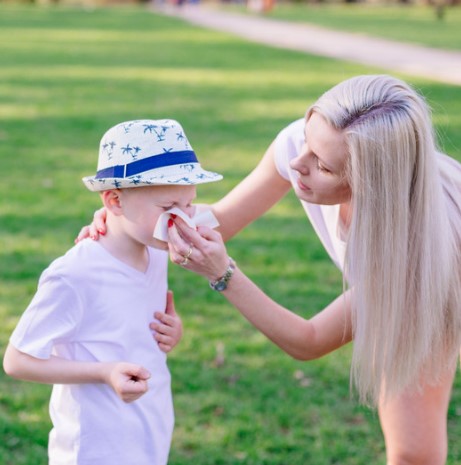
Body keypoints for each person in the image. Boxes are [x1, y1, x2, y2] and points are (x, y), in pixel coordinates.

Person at [78, 75, 461, 465]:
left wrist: (223, 274)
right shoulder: (310, 147)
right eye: (308, 142)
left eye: (323, 166)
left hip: (436, 287)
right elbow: (219, 222)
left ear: (374, 184)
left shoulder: (422, 255)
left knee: (416, 454)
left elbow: (309, 341)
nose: (297, 163)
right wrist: (126, 219)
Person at [3, 119, 222, 465]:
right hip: (94, 448)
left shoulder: (155, 248)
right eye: (168, 208)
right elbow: (17, 360)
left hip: (148, 431)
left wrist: (172, 330)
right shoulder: (74, 274)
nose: (182, 219)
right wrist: (102, 371)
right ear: (115, 201)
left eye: (189, 204)